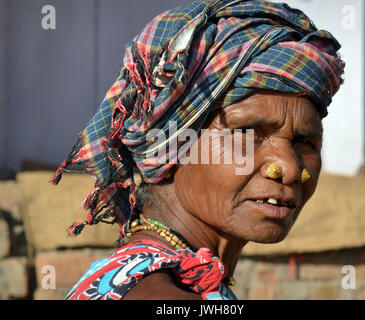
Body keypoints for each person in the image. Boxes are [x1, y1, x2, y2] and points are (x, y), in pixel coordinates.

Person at [51, 0, 345, 300]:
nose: (291, 168)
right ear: (171, 143)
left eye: (305, 142)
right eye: (248, 133)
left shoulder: (152, 279)